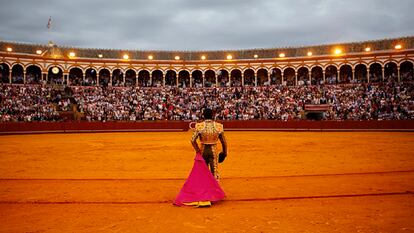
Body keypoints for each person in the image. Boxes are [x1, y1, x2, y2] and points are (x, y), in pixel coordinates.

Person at [173, 108, 227, 207]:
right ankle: (213, 195)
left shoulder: (199, 126)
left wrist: (198, 150)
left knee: (203, 173)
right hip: (213, 150)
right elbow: (223, 141)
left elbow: (192, 140)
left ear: (203, 115)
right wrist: (225, 152)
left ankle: (204, 194)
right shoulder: (219, 126)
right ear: (213, 115)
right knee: (214, 172)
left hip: (203, 151)